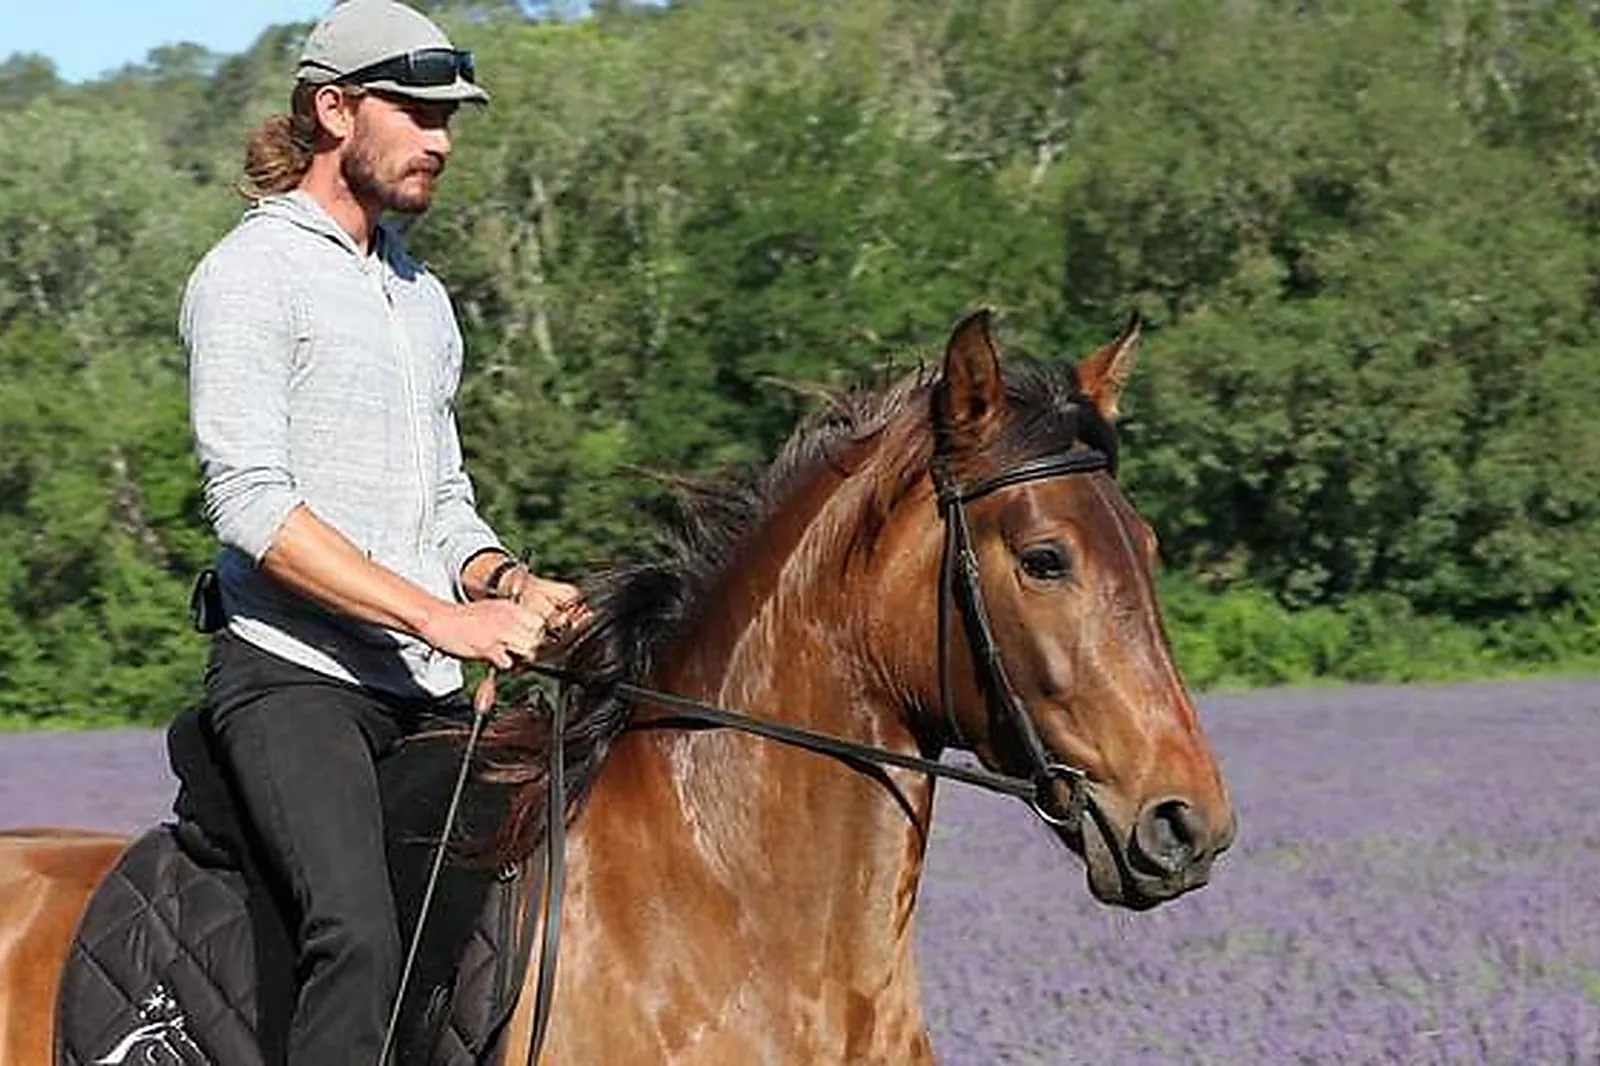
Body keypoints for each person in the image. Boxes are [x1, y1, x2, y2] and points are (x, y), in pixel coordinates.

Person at [179, 2, 584, 1062]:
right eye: (417, 113)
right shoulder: (249, 275)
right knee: (358, 941)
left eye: (448, 120)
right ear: (333, 110)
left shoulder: (421, 297)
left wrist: (509, 582)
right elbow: (253, 508)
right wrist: (440, 618)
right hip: (293, 678)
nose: (440, 140)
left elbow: (441, 502)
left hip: (424, 687)